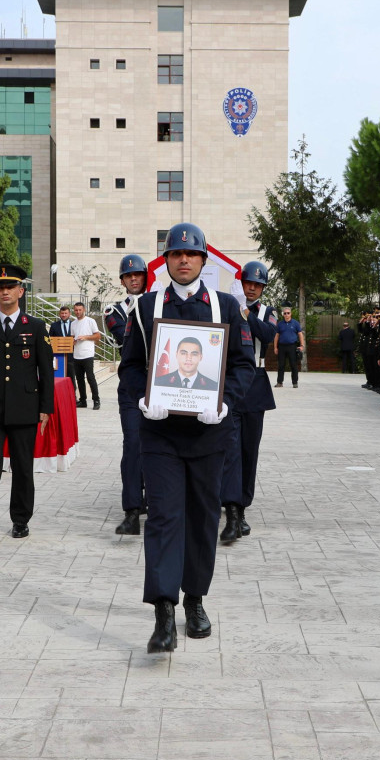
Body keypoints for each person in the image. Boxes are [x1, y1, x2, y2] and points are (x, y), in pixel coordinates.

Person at [119, 222, 254, 653]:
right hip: (160, 433)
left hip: (209, 434)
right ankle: (163, 613)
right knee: (162, 518)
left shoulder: (226, 307)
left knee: (200, 519)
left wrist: (225, 404)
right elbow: (131, 367)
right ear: (166, 260)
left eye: (190, 255)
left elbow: (242, 366)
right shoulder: (145, 307)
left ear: (202, 260)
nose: (183, 260)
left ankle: (194, 600)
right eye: (175, 254)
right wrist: (144, 400)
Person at [0, 263, 54, 539]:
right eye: (0, 287)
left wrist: (45, 408)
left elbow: (46, 372)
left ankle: (20, 519)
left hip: (25, 408)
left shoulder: (36, 327)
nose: (5, 292)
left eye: (10, 287)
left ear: (20, 290)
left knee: (22, 465)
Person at [220, 260, 277, 544]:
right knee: (229, 449)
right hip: (230, 382)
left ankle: (241, 508)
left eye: (257, 285)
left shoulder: (268, 311)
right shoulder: (227, 306)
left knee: (248, 450)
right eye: (248, 283)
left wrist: (245, 313)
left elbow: (267, 334)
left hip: (255, 383)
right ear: (241, 283)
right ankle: (229, 507)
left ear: (263, 288)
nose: (252, 288)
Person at [106, 255, 151, 535]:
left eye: (138, 274)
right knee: (133, 445)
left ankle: (155, 501)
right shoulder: (114, 310)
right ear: (122, 280)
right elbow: (126, 337)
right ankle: (132, 510)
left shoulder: (158, 303)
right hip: (133, 384)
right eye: (128, 275)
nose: (134, 279)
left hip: (160, 384)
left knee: (159, 446)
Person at [70, 301, 102, 409]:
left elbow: (98, 336)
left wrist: (86, 337)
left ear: (84, 310)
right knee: (79, 379)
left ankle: (96, 400)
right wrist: (73, 341)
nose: (78, 312)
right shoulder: (73, 323)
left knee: (90, 377)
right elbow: (72, 337)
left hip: (87, 354)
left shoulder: (90, 321)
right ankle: (82, 400)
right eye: (76, 310)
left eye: (80, 310)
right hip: (76, 354)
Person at [274, 307, 304, 388]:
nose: (286, 314)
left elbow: (300, 334)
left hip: (292, 346)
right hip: (282, 347)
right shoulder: (280, 324)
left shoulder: (295, 323)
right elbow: (277, 336)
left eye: (288, 313)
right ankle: (279, 382)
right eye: (285, 313)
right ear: (283, 314)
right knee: (281, 365)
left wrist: (302, 345)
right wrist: (275, 348)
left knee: (293, 365)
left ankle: (295, 382)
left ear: (291, 314)